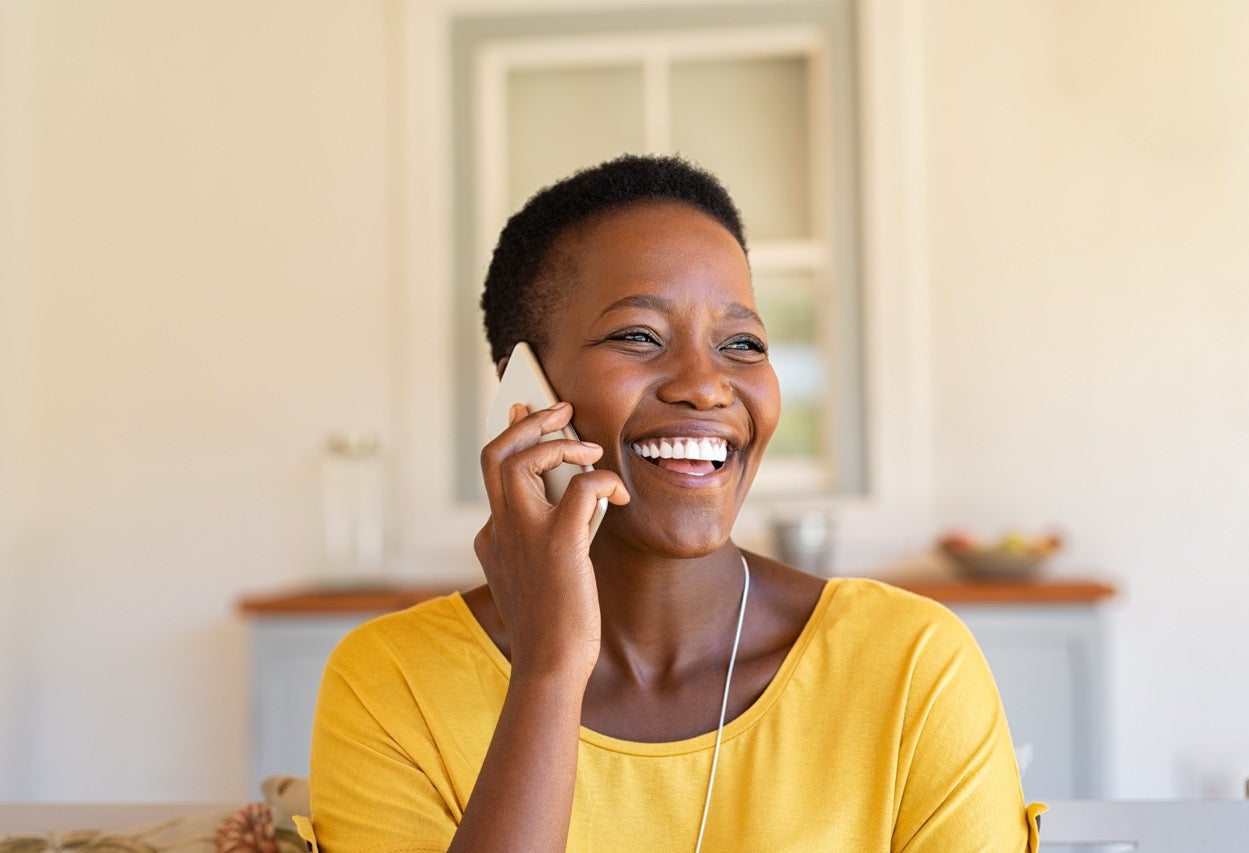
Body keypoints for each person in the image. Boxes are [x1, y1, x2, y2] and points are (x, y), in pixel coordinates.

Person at [306, 155, 1042, 851]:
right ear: (525, 390)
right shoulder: (389, 681)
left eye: (743, 344)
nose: (707, 385)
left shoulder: (911, 662)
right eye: (638, 335)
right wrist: (549, 669)